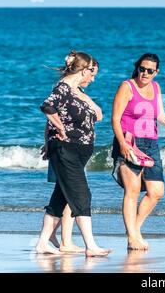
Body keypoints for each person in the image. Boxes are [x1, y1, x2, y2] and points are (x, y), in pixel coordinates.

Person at [35, 50, 111, 257]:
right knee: (82, 195)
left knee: (60, 199)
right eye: (91, 74)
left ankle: (42, 243)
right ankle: (91, 246)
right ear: (84, 70)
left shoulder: (75, 91)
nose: (93, 79)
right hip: (66, 149)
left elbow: (99, 115)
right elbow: (47, 107)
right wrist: (59, 128)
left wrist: (82, 95)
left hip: (76, 152)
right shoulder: (63, 88)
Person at [111, 53, 165, 250]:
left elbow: (160, 113)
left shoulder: (156, 87)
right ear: (137, 67)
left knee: (157, 192)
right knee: (132, 191)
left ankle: (135, 230)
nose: (145, 73)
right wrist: (122, 144)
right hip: (130, 141)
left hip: (151, 144)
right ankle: (132, 237)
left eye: (150, 70)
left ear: (156, 72)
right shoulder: (127, 86)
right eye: (142, 69)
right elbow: (115, 118)